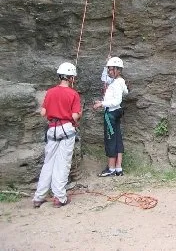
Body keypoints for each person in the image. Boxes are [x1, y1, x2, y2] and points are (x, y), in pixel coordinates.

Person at [32, 62, 82, 208]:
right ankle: (60, 197)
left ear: (60, 76)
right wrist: (80, 113)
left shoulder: (50, 92)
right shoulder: (73, 94)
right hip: (66, 129)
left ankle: (39, 197)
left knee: (48, 163)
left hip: (52, 129)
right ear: (71, 78)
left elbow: (43, 113)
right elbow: (74, 116)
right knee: (62, 164)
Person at [93, 57, 128, 177]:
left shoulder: (116, 83)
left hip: (111, 114)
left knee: (110, 139)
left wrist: (102, 103)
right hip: (116, 112)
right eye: (108, 69)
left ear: (118, 70)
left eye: (111, 69)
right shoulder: (120, 81)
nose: (109, 71)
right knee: (117, 138)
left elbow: (117, 101)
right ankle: (118, 168)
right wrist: (106, 64)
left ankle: (111, 169)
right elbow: (125, 91)